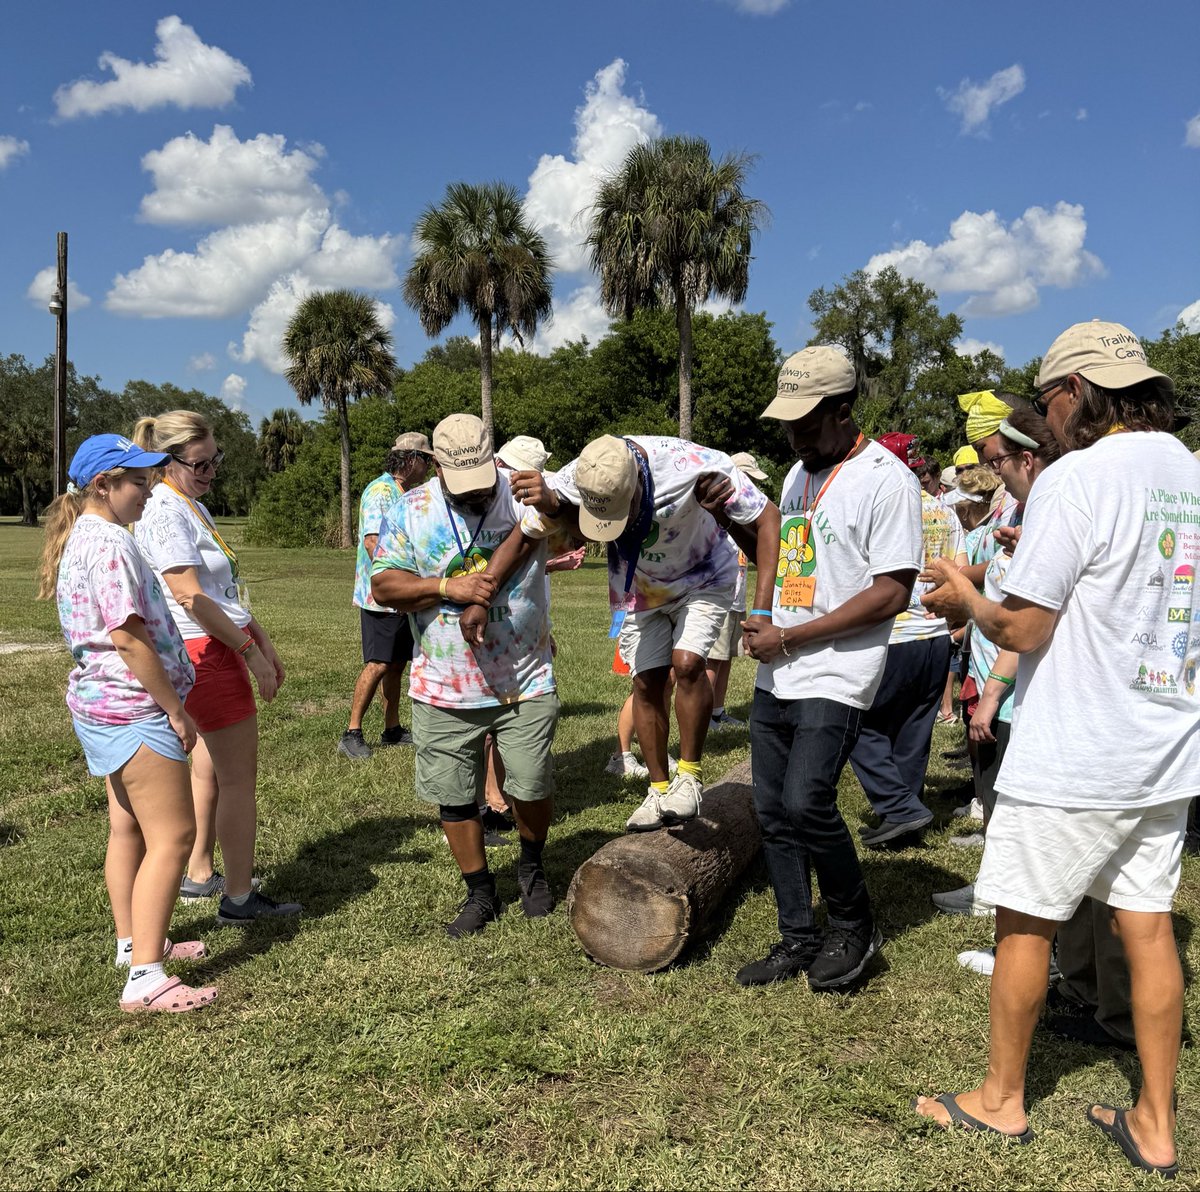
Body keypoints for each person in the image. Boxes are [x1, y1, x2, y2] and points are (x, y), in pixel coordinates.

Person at [915, 320, 1199, 1179]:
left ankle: (1001, 1100)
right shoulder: (1190, 473)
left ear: (1075, 390)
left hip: (1077, 746)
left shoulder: (1076, 478)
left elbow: (1024, 625)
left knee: (1024, 927)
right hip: (1166, 741)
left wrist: (967, 593)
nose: (1044, 423)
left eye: (1043, 404)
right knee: (1148, 929)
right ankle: (1156, 1123)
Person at [733, 346, 922, 990]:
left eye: (806, 424)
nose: (793, 436)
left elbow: (891, 592)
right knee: (771, 811)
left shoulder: (886, 479)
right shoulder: (794, 477)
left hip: (837, 669)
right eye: (787, 424)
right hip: (779, 666)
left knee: (808, 800)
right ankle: (796, 937)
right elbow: (793, 563)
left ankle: (853, 929)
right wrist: (766, 620)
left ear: (844, 412)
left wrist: (793, 636)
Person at [39, 435, 215, 1013]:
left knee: (129, 829)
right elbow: (127, 637)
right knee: (175, 837)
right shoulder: (111, 543)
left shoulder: (83, 537)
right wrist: (175, 709)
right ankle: (146, 977)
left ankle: (133, 942)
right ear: (103, 486)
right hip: (134, 707)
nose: (147, 491)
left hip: (99, 706)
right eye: (136, 482)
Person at [370, 414, 557, 938]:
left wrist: (555, 500)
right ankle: (479, 890)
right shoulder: (411, 509)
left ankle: (531, 865)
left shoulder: (525, 491)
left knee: (532, 782)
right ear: (437, 467)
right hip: (444, 683)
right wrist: (447, 589)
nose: (477, 497)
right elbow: (385, 585)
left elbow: (579, 523)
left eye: (482, 485)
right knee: (454, 794)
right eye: (463, 488)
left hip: (524, 675)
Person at [532, 434, 778, 832]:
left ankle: (689, 777)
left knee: (688, 664)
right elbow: (554, 513)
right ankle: (659, 787)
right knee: (645, 683)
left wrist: (763, 610)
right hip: (641, 587)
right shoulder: (583, 470)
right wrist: (547, 501)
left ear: (638, 485)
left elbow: (769, 519)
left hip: (705, 579)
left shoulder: (696, 465)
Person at [132, 411, 301, 924]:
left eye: (214, 461)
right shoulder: (166, 511)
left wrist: (260, 640)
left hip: (213, 643)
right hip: (204, 652)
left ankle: (203, 872)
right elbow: (189, 595)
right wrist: (247, 652)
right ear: (168, 462)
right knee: (238, 778)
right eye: (199, 464)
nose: (210, 472)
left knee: (210, 768)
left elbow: (225, 595)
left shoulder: (188, 504)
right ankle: (241, 897)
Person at [931, 407, 1061, 974]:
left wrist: (963, 593)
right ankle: (994, 892)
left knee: (1016, 809)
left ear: (1024, 458)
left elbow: (1020, 628)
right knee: (996, 794)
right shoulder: (1037, 512)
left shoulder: (1055, 502)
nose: (995, 475)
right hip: (1006, 679)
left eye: (997, 464)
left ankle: (1027, 938)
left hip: (1016, 686)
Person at [849, 432, 964, 847]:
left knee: (857, 722)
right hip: (934, 634)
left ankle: (900, 808)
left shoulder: (880, 503)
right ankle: (904, 824)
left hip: (893, 632)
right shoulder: (944, 511)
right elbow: (961, 569)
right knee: (914, 733)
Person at [339, 433, 432, 760]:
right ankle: (351, 732)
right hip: (383, 595)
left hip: (401, 594)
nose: (429, 466)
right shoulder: (381, 491)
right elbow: (372, 542)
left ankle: (392, 729)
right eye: (426, 459)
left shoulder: (405, 492)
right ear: (411, 460)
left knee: (396, 664)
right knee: (378, 663)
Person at [706, 451, 770, 731]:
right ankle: (704, 716)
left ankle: (718, 712)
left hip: (736, 598)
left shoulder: (744, 512)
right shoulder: (716, 512)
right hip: (719, 597)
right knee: (712, 660)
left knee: (726, 658)